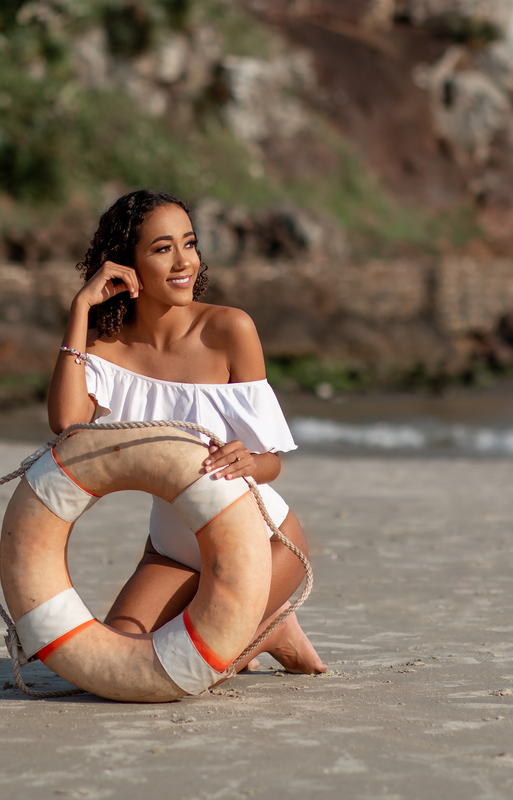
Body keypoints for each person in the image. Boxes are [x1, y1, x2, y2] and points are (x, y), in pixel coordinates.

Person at [47, 189, 326, 675]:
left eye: (190, 244)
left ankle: (272, 627)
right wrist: (80, 310)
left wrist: (250, 462)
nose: (184, 262)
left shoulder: (229, 330)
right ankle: (266, 628)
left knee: (187, 669)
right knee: (119, 663)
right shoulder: (107, 347)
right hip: (172, 550)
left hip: (265, 545)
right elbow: (67, 425)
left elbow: (272, 462)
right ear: (125, 265)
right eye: (162, 248)